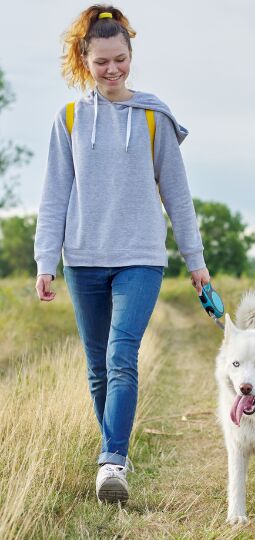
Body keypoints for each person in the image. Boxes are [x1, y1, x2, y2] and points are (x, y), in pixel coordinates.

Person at [33, 4, 210, 504]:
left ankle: (111, 460)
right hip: (83, 259)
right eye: (101, 62)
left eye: (120, 60)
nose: (112, 70)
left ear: (132, 55)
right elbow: (54, 196)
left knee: (120, 355)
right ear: (84, 60)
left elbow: (178, 196)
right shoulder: (68, 119)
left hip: (141, 257)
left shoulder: (154, 117)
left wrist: (194, 262)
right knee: (96, 367)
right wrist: (46, 260)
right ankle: (117, 452)